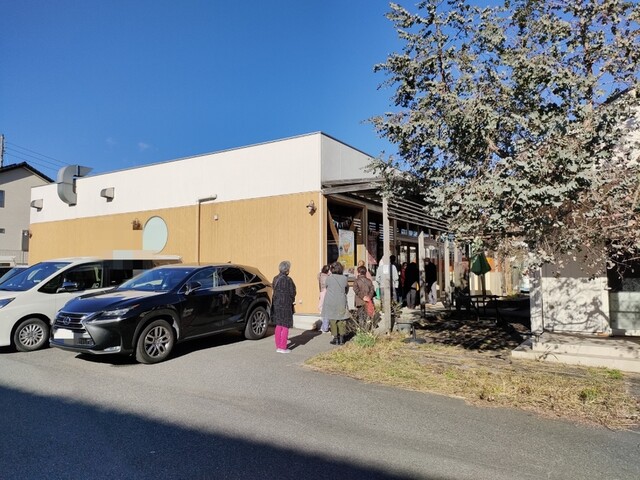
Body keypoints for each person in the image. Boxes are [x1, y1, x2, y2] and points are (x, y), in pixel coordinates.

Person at [322, 262, 350, 345]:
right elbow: (346, 289)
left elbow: (326, 287)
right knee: (341, 319)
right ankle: (342, 338)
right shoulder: (344, 278)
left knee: (332, 319)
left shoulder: (329, 278)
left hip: (330, 300)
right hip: (341, 300)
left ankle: (335, 338)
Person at [272, 260, 296, 353]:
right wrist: (291, 300)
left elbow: (274, 289)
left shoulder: (275, 278)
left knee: (278, 324)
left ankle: (278, 346)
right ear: (287, 270)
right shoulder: (288, 280)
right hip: (285, 304)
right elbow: (293, 292)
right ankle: (283, 347)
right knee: (285, 325)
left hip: (277, 304)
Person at [317, 265, 330, 333]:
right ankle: (325, 327)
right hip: (326, 293)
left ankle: (324, 326)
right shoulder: (327, 277)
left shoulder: (320, 275)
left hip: (322, 293)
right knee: (326, 310)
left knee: (322, 309)